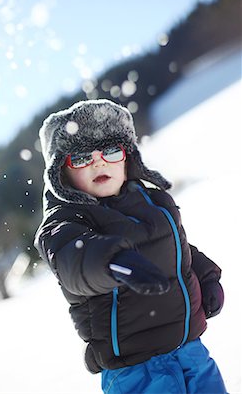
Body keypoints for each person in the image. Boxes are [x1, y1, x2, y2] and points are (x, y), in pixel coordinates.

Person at [34, 99, 226, 393]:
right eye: (81, 158)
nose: (98, 161)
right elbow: (74, 260)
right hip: (135, 370)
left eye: (110, 150)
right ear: (61, 173)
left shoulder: (153, 201)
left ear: (127, 158)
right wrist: (113, 261)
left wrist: (207, 276)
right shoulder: (66, 220)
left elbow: (176, 246)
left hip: (191, 351)